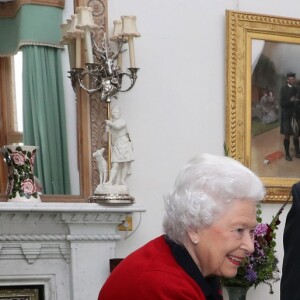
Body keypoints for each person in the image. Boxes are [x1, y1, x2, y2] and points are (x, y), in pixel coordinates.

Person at [98, 153, 265, 300]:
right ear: (194, 228)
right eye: (238, 230)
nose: (250, 246)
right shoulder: (162, 287)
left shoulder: (194, 267)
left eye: (251, 231)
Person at [105, 105, 133, 185]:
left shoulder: (122, 121)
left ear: (120, 113)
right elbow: (105, 139)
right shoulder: (111, 124)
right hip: (116, 146)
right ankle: (110, 181)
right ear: (112, 114)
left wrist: (110, 124)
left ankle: (122, 180)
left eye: (117, 112)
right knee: (115, 164)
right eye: (114, 112)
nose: (116, 113)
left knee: (125, 163)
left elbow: (117, 127)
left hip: (124, 144)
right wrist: (106, 131)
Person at [280, 72, 300, 161]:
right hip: (286, 115)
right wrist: (290, 100)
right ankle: (287, 154)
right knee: (287, 135)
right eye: (291, 79)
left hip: (295, 115)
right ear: (287, 80)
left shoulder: (297, 89)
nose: (293, 80)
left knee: (296, 134)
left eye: (294, 79)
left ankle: (297, 152)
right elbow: (282, 103)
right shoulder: (283, 89)